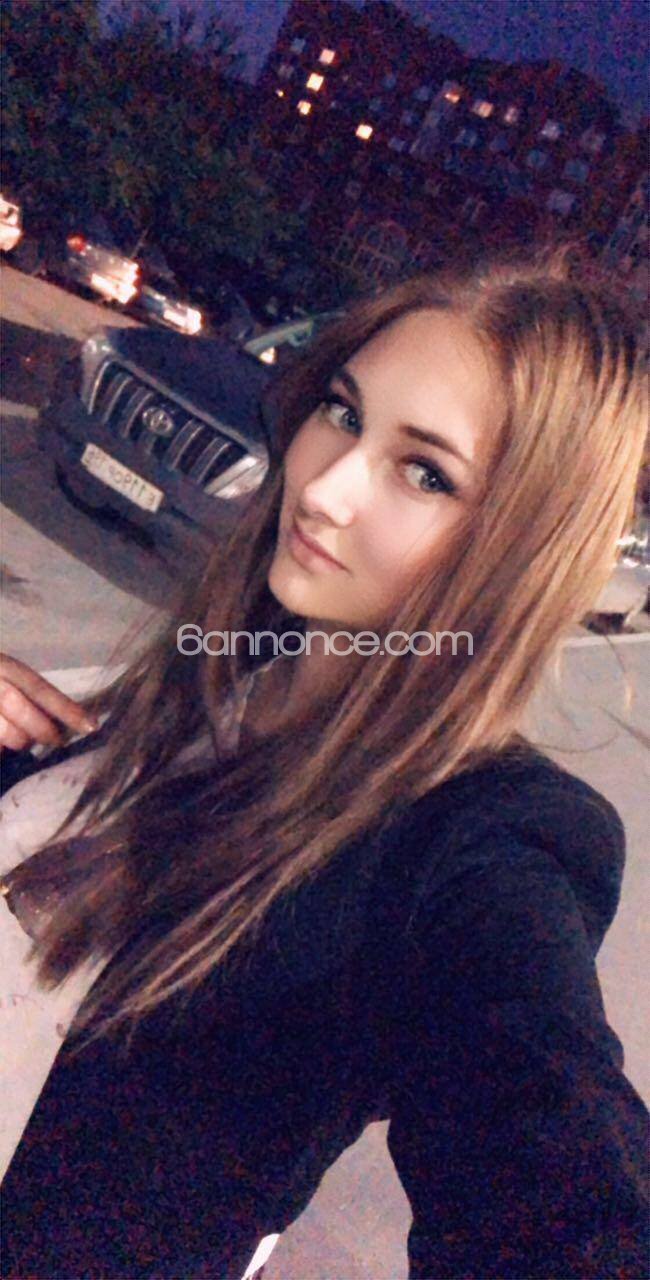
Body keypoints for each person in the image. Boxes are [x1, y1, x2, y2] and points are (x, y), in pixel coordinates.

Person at [1, 242, 648, 1279]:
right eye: (344, 413)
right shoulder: (214, 675)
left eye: (425, 472)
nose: (326, 487)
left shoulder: (474, 839)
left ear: (518, 548)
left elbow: (547, 1135)